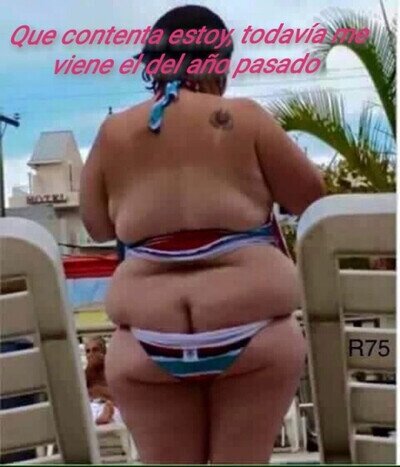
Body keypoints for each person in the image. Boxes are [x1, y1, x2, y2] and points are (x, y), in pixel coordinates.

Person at [80, 5, 325, 463]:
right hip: (255, 336)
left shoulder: (114, 132)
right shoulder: (245, 118)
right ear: (220, 62)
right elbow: (311, 197)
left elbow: (96, 225)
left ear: (152, 63)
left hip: (148, 341)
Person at [84, 337, 121, 425]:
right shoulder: (85, 374)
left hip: (112, 406)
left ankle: (104, 416)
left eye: (95, 350)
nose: (91, 354)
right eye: (88, 351)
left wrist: (101, 393)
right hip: (93, 407)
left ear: (104, 353)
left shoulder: (114, 371)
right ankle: (101, 418)